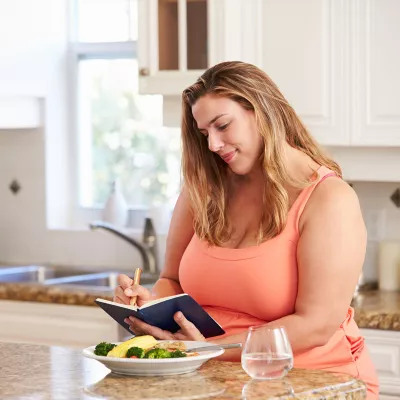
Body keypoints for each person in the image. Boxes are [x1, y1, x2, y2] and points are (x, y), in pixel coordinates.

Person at [114, 61, 378, 398]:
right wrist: (148, 305)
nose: (213, 144)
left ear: (262, 111)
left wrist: (210, 349)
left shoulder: (328, 198)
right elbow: (173, 280)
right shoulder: (204, 191)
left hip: (314, 382)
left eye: (222, 125)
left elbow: (317, 324)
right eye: (204, 133)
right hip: (212, 376)